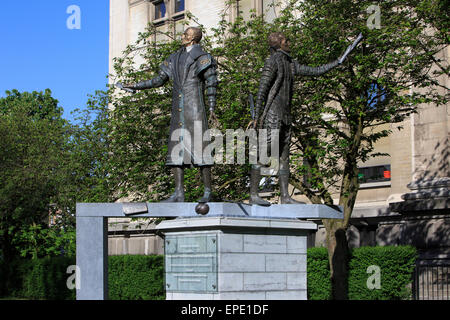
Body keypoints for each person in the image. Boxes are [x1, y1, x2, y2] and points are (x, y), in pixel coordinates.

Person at [249, 32, 362, 206]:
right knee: (264, 153)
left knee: (284, 156)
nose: (289, 43)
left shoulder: (290, 63)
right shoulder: (272, 62)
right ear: (278, 44)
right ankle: (254, 194)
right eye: (286, 41)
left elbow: (314, 71)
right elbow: (262, 89)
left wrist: (337, 62)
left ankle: (285, 196)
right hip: (273, 114)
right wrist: (256, 116)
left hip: (285, 115)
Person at [121, 27, 218, 203]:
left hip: (195, 107)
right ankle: (178, 193)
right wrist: (135, 85)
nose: (182, 37)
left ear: (194, 39)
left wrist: (211, 108)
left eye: (186, 35)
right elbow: (158, 80)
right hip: (178, 109)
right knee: (176, 149)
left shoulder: (203, 57)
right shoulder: (174, 58)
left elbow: (211, 82)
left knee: (200, 148)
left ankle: (207, 191)